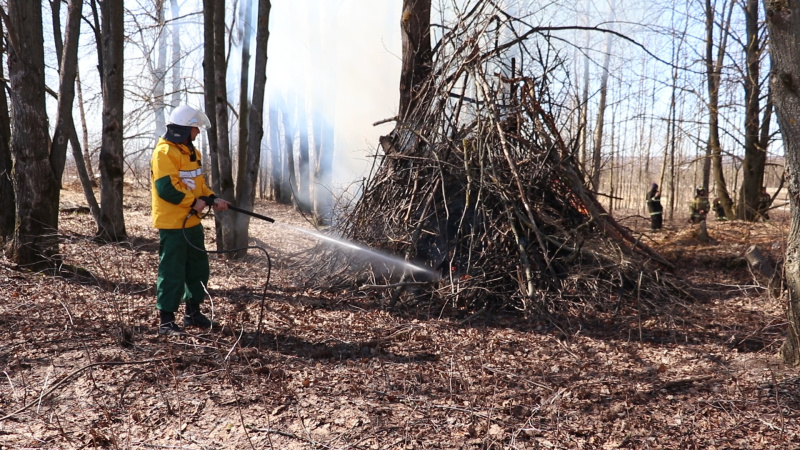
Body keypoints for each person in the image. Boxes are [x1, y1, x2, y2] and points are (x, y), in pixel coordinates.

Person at [150, 105, 230, 336]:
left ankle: (192, 313)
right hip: (173, 224)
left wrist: (213, 198)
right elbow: (166, 189)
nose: (197, 133)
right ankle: (166, 321)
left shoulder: (191, 152)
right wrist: (191, 202)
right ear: (184, 130)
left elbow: (199, 185)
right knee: (172, 270)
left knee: (198, 269)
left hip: (192, 223)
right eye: (195, 129)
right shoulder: (164, 152)